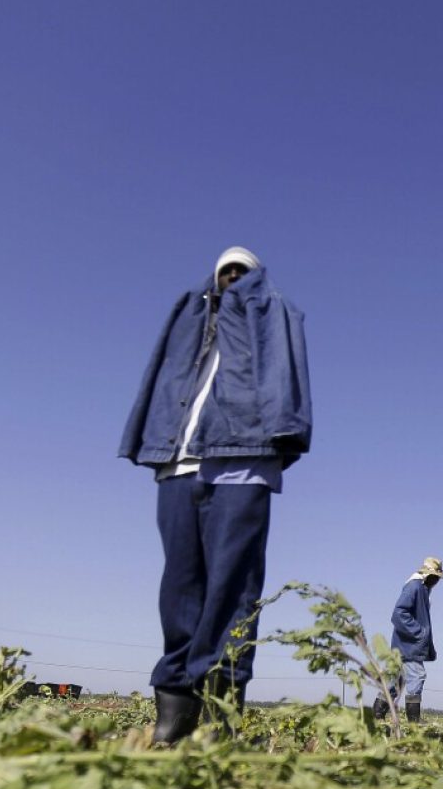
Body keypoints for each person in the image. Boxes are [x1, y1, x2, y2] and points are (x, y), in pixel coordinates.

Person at [119, 246, 312, 744]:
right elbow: (159, 380)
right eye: (226, 270)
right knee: (180, 586)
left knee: (232, 587)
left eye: (243, 271)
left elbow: (286, 376)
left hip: (243, 460)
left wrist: (282, 441)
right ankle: (176, 705)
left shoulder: (271, 312)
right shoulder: (190, 314)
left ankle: (221, 711)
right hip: (179, 461)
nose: (232, 277)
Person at [373, 557, 443, 723]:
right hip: (408, 646)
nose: (436, 581)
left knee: (394, 681)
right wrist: (419, 633)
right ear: (427, 575)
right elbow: (399, 614)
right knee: (417, 675)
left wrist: (427, 644)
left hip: (403, 645)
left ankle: (377, 715)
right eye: (435, 577)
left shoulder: (421, 590)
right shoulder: (414, 587)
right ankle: (414, 721)